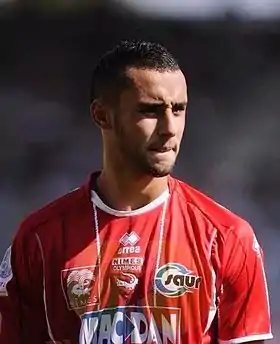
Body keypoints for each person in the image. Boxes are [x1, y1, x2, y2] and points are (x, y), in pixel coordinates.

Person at [0, 40, 273, 344]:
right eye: (150, 110)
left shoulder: (227, 238)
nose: (170, 127)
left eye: (179, 109)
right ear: (102, 115)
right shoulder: (39, 239)